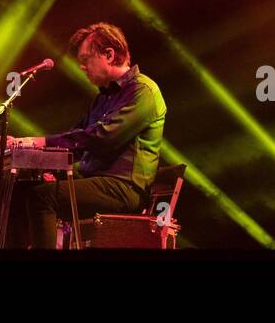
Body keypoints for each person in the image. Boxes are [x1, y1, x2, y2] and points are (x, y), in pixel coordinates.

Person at [11, 22, 166, 248]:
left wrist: (38, 142)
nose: (82, 67)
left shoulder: (144, 91)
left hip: (123, 188)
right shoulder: (102, 97)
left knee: (43, 197)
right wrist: (30, 150)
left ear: (109, 55)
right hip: (97, 181)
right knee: (24, 187)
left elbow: (101, 139)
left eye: (86, 60)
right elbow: (77, 137)